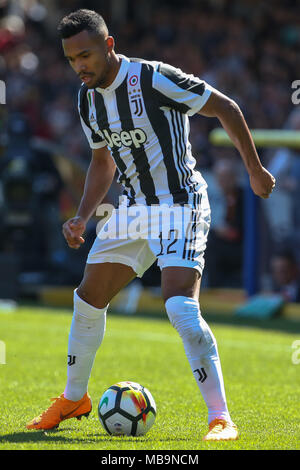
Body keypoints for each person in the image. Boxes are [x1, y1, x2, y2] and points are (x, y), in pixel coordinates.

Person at [26, 9, 275, 441]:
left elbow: (225, 108)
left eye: (85, 55)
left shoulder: (154, 79)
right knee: (87, 298)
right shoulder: (86, 99)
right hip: (135, 207)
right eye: (71, 59)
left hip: (181, 202)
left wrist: (253, 169)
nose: (79, 66)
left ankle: (221, 418)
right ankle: (73, 398)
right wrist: (83, 216)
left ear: (109, 45)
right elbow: (101, 162)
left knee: (179, 305)